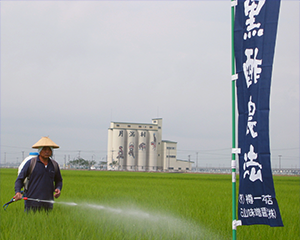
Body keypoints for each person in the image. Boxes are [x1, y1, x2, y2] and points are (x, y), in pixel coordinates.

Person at [14, 137, 63, 212]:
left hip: (48, 204)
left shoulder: (54, 165)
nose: (47, 152)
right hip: (31, 203)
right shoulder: (31, 163)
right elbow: (20, 179)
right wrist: (17, 192)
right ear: (40, 150)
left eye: (49, 149)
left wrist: (58, 189)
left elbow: (59, 180)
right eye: (44, 149)